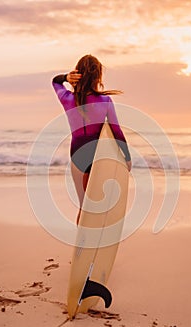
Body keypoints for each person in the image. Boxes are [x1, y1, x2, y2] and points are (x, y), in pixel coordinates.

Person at [52, 54, 131, 224]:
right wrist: (127, 157)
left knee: (84, 205)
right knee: (99, 202)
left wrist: (66, 77)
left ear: (78, 74)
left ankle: (82, 241)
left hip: (77, 154)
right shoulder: (104, 100)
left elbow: (55, 82)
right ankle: (96, 235)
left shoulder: (67, 99)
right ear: (98, 76)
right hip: (98, 155)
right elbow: (116, 131)